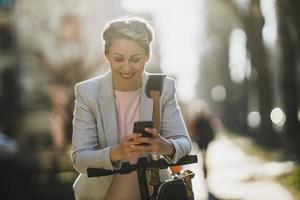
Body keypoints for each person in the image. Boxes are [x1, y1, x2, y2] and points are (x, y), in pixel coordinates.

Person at [71, 17, 192, 200]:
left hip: (152, 191)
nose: (126, 68)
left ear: (147, 56)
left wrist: (165, 146)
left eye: (135, 59)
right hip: (103, 193)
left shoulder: (162, 87)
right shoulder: (87, 93)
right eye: (118, 59)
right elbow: (80, 159)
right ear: (107, 56)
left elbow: (184, 143)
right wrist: (116, 153)